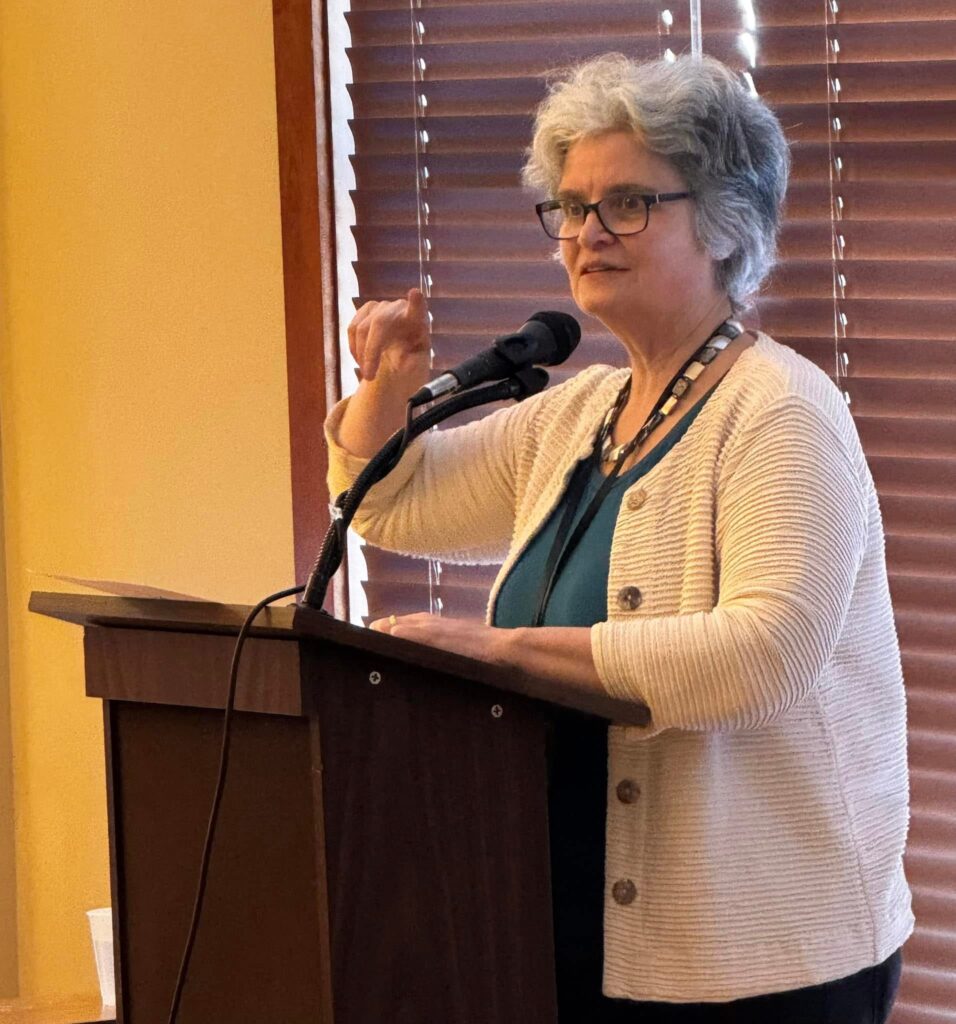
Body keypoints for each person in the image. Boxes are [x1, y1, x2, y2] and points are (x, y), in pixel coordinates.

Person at [324, 53, 912, 1023]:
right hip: (573, 923)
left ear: (724, 223)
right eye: (570, 205)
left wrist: (500, 651)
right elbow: (389, 501)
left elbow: (761, 655)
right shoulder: (579, 413)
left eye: (627, 203)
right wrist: (388, 379)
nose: (586, 232)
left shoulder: (781, 412)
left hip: (759, 960)